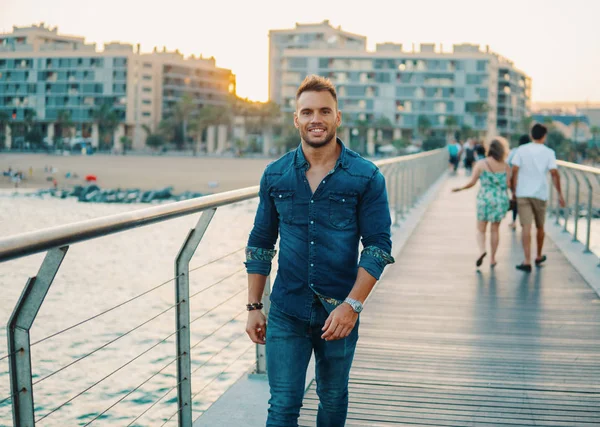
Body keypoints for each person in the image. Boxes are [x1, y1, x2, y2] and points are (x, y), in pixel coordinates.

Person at [244, 75, 395, 427]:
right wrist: (254, 307)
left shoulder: (365, 176)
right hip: (287, 310)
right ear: (296, 119)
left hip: (339, 313)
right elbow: (261, 243)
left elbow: (377, 246)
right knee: (282, 407)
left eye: (324, 111)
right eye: (307, 111)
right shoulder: (275, 175)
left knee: (332, 398)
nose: (316, 118)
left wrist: (352, 306)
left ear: (337, 117)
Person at [511, 123, 565, 272]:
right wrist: (560, 194)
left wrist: (513, 190)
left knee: (526, 227)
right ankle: (538, 255)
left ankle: (527, 260)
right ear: (544, 136)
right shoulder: (549, 152)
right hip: (540, 193)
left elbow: (514, 170)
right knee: (540, 226)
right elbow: (554, 173)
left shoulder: (521, 150)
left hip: (523, 193)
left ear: (531, 135)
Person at [452, 137, 511, 268]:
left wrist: (460, 188)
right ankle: (493, 259)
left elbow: (472, 183)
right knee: (495, 230)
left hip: (484, 199)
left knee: (481, 230)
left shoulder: (481, 163)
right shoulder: (506, 166)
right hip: (500, 199)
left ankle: (482, 250)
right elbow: (508, 184)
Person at [506, 134, 531, 229]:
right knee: (526, 201)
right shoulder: (530, 152)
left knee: (515, 200)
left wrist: (508, 179)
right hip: (526, 180)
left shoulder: (514, 151)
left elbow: (508, 163)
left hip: (515, 179)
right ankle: (525, 221)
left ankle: (513, 221)